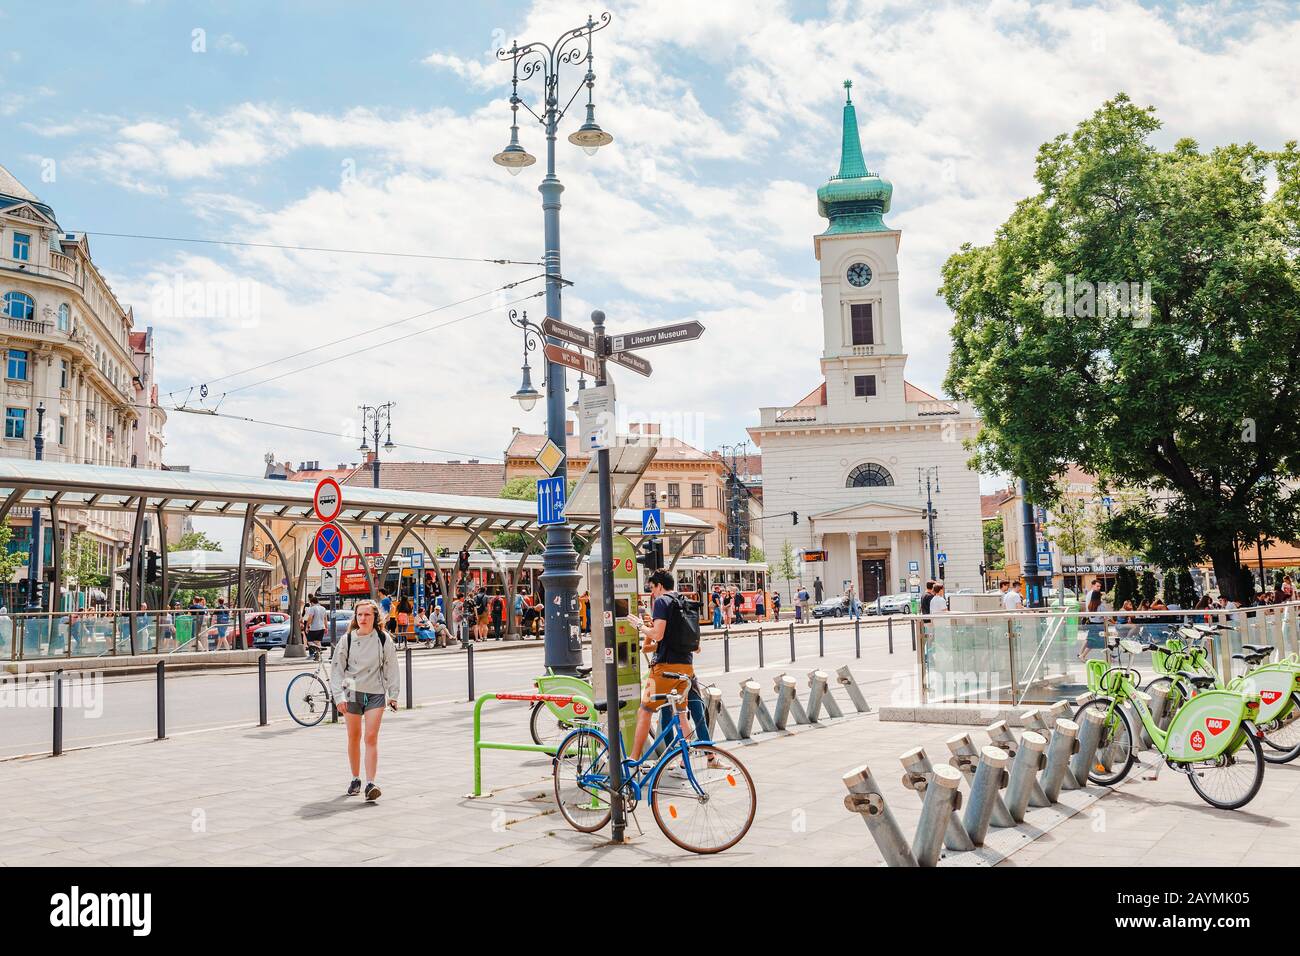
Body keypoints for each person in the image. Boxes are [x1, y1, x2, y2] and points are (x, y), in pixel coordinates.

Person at [331, 599, 399, 801]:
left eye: (367, 614)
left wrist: (393, 695)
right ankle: (355, 779)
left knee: (370, 737)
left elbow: (391, 667)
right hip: (351, 688)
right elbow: (337, 670)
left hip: (376, 691)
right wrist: (339, 696)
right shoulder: (347, 640)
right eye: (359, 614)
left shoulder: (383, 639)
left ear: (375, 617)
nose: (363, 618)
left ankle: (370, 783)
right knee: (353, 736)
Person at [628, 569, 698, 761]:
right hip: (686, 667)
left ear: (660, 585)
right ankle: (687, 760)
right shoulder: (684, 601)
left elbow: (657, 635)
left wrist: (640, 626)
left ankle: (633, 759)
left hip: (665, 668)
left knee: (645, 711)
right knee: (682, 715)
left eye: (652, 588)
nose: (652, 592)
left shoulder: (662, 602)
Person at [1079, 579, 1105, 660]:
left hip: (1093, 620)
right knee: (1094, 640)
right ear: (1092, 585)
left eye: (1100, 586)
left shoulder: (1093, 594)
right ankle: (1082, 655)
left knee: (1091, 638)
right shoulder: (1092, 595)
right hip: (1096, 621)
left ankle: (1081, 653)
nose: (1099, 588)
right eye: (1097, 586)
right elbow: (1094, 608)